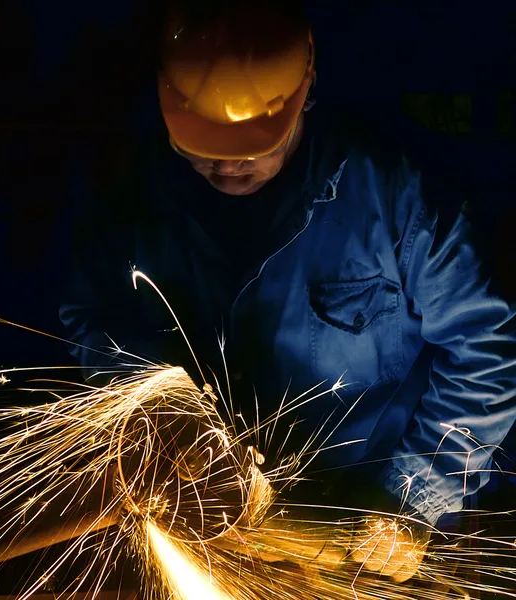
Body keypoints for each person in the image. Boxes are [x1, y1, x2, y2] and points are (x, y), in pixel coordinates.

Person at [60, 0, 516, 583]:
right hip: (216, 523)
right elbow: (93, 317)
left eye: (253, 147)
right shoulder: (130, 199)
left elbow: (487, 351)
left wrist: (414, 499)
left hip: (372, 527)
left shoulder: (397, 196)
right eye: (202, 150)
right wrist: (159, 419)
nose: (226, 167)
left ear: (307, 92)